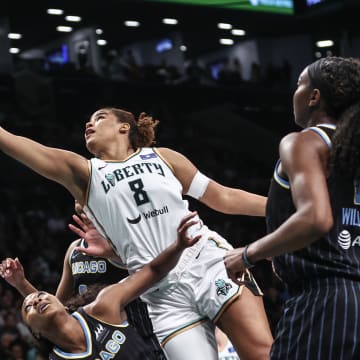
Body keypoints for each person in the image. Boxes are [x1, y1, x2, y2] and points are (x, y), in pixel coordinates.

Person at [0, 107, 273, 359]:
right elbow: (12, 142)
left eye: (99, 117)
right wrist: (114, 255)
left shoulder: (163, 156)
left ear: (124, 127)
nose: (88, 123)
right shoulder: (84, 172)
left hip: (206, 261)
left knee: (261, 354)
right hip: (160, 293)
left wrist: (284, 207)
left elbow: (223, 197)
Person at [224, 56, 360, 359]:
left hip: (325, 299)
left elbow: (315, 218)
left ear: (314, 97)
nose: (294, 92)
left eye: (300, 84)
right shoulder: (351, 150)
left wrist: (247, 254)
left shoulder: (303, 142)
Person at [0, 212, 201, 359]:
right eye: (28, 307)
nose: (37, 300)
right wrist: (21, 283)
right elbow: (56, 304)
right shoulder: (74, 251)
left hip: (149, 326)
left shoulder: (103, 305)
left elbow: (151, 270)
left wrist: (178, 246)